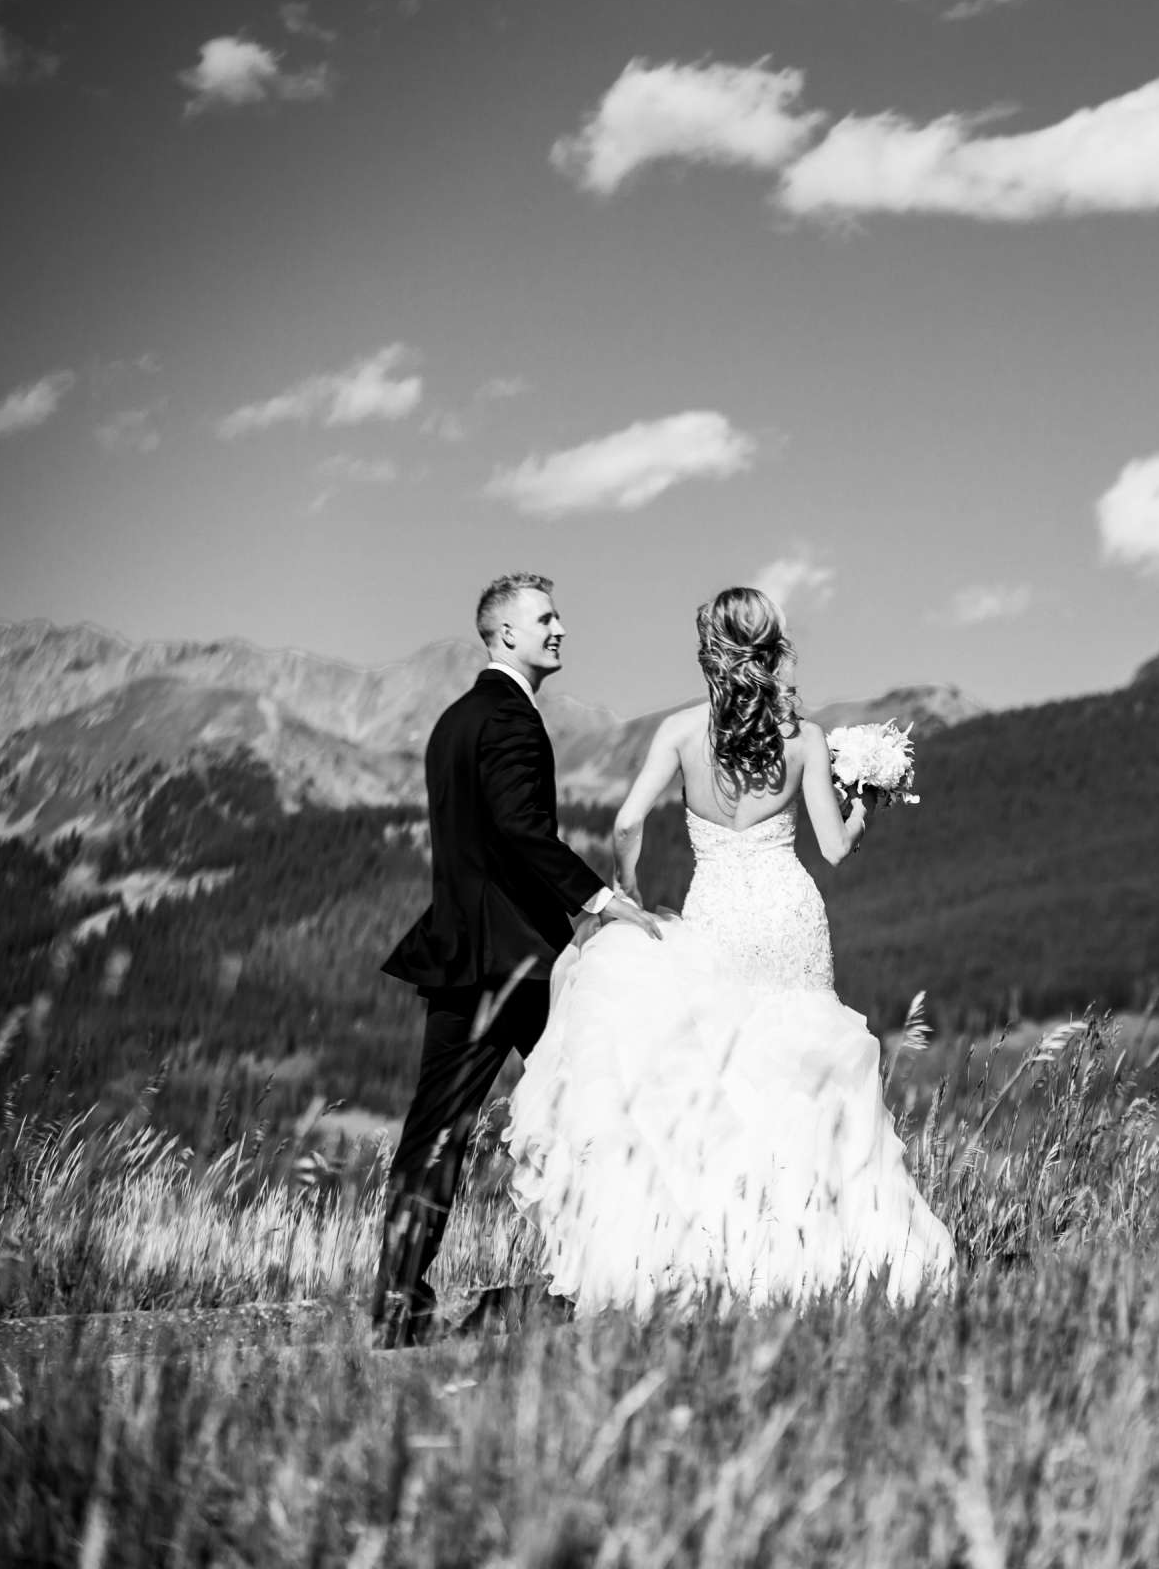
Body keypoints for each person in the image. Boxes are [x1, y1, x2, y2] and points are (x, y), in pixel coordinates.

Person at [501, 586, 954, 1312]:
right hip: (787, 910)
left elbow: (625, 821)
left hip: (717, 912)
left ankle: (733, 1253)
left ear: (711, 652)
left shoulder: (681, 732)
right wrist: (865, 799)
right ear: (768, 651)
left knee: (727, 1080)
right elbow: (835, 850)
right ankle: (832, 1250)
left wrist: (630, 892)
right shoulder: (803, 739)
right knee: (811, 1071)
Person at [373, 573, 666, 1349]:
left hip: (463, 953)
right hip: (517, 964)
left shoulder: (454, 721)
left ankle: (399, 1302)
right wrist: (604, 904)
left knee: (438, 1131)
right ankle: (626, 1272)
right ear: (504, 633)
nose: (561, 627)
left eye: (558, 614)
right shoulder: (510, 721)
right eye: (545, 618)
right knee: (596, 1108)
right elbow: (518, 833)